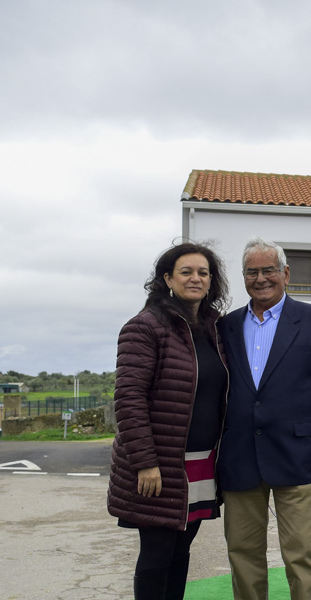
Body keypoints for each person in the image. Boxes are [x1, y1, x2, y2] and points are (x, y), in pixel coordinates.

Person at [217, 237, 311, 600]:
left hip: (298, 456)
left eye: (268, 270)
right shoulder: (225, 327)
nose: (261, 278)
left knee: (303, 554)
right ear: (243, 277)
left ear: (286, 274)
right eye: (252, 271)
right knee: (242, 555)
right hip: (239, 457)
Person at [108, 242, 230, 600]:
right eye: (186, 271)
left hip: (202, 461)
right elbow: (129, 399)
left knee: (181, 551)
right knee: (157, 553)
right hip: (161, 465)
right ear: (167, 279)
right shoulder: (145, 327)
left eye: (203, 272)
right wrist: (146, 464)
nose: (196, 278)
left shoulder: (213, 328)